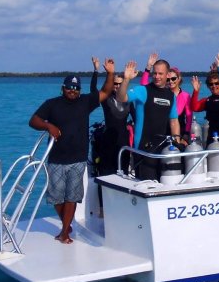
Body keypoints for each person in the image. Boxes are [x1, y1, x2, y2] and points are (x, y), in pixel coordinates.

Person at [29, 59, 114, 244]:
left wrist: (110, 73)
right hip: (56, 159)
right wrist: (48, 126)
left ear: (79, 90)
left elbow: (106, 91)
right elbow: (33, 120)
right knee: (56, 198)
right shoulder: (51, 104)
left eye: (76, 88)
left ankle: (64, 232)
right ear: (63, 88)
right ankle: (66, 225)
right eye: (69, 87)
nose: (72, 91)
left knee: (72, 197)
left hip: (78, 158)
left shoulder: (85, 102)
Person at [117, 59, 181, 180]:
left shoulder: (171, 96)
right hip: (143, 149)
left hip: (163, 149)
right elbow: (121, 98)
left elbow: (174, 121)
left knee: (166, 182)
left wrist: (177, 142)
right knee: (148, 184)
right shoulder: (143, 90)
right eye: (155, 73)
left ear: (168, 75)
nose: (157, 76)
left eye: (160, 73)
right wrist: (126, 79)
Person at [92, 58, 134, 215]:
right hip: (107, 142)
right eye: (115, 84)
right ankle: (103, 209)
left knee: (123, 176)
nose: (116, 86)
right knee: (104, 176)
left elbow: (138, 120)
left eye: (119, 84)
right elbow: (93, 90)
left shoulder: (129, 101)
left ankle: (122, 208)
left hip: (123, 143)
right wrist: (96, 71)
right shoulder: (106, 99)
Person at [140, 53, 193, 139]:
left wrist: (186, 134)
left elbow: (189, 116)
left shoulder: (185, 95)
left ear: (179, 78)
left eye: (173, 79)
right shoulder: (162, 94)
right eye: (168, 79)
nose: (171, 81)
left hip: (179, 133)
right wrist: (148, 68)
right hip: (162, 132)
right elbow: (143, 86)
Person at [190, 72, 219, 146]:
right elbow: (194, 107)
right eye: (211, 84)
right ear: (208, 86)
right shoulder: (207, 100)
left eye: (216, 83)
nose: (214, 86)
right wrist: (196, 91)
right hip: (212, 135)